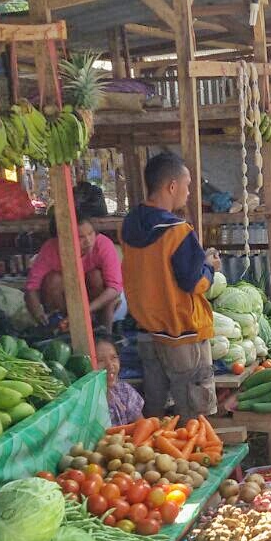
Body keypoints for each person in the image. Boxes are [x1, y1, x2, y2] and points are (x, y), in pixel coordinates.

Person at [120, 152, 221, 421]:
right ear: (171, 186)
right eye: (187, 185)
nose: (189, 193)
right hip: (181, 336)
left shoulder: (130, 225)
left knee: (156, 414)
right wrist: (209, 266)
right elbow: (194, 282)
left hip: (147, 333)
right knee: (194, 416)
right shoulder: (177, 231)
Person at [25, 214, 124, 328]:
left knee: (95, 276)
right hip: (67, 303)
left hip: (99, 305)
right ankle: (61, 326)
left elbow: (114, 288)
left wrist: (85, 312)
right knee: (52, 280)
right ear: (64, 238)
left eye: (91, 234)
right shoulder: (50, 249)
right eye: (80, 237)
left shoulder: (102, 244)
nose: (88, 241)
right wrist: (38, 312)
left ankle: (103, 332)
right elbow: (31, 288)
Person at [95, 334, 144, 425]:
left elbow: (143, 426)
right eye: (101, 360)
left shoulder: (124, 391)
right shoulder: (87, 402)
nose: (110, 365)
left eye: (113, 358)